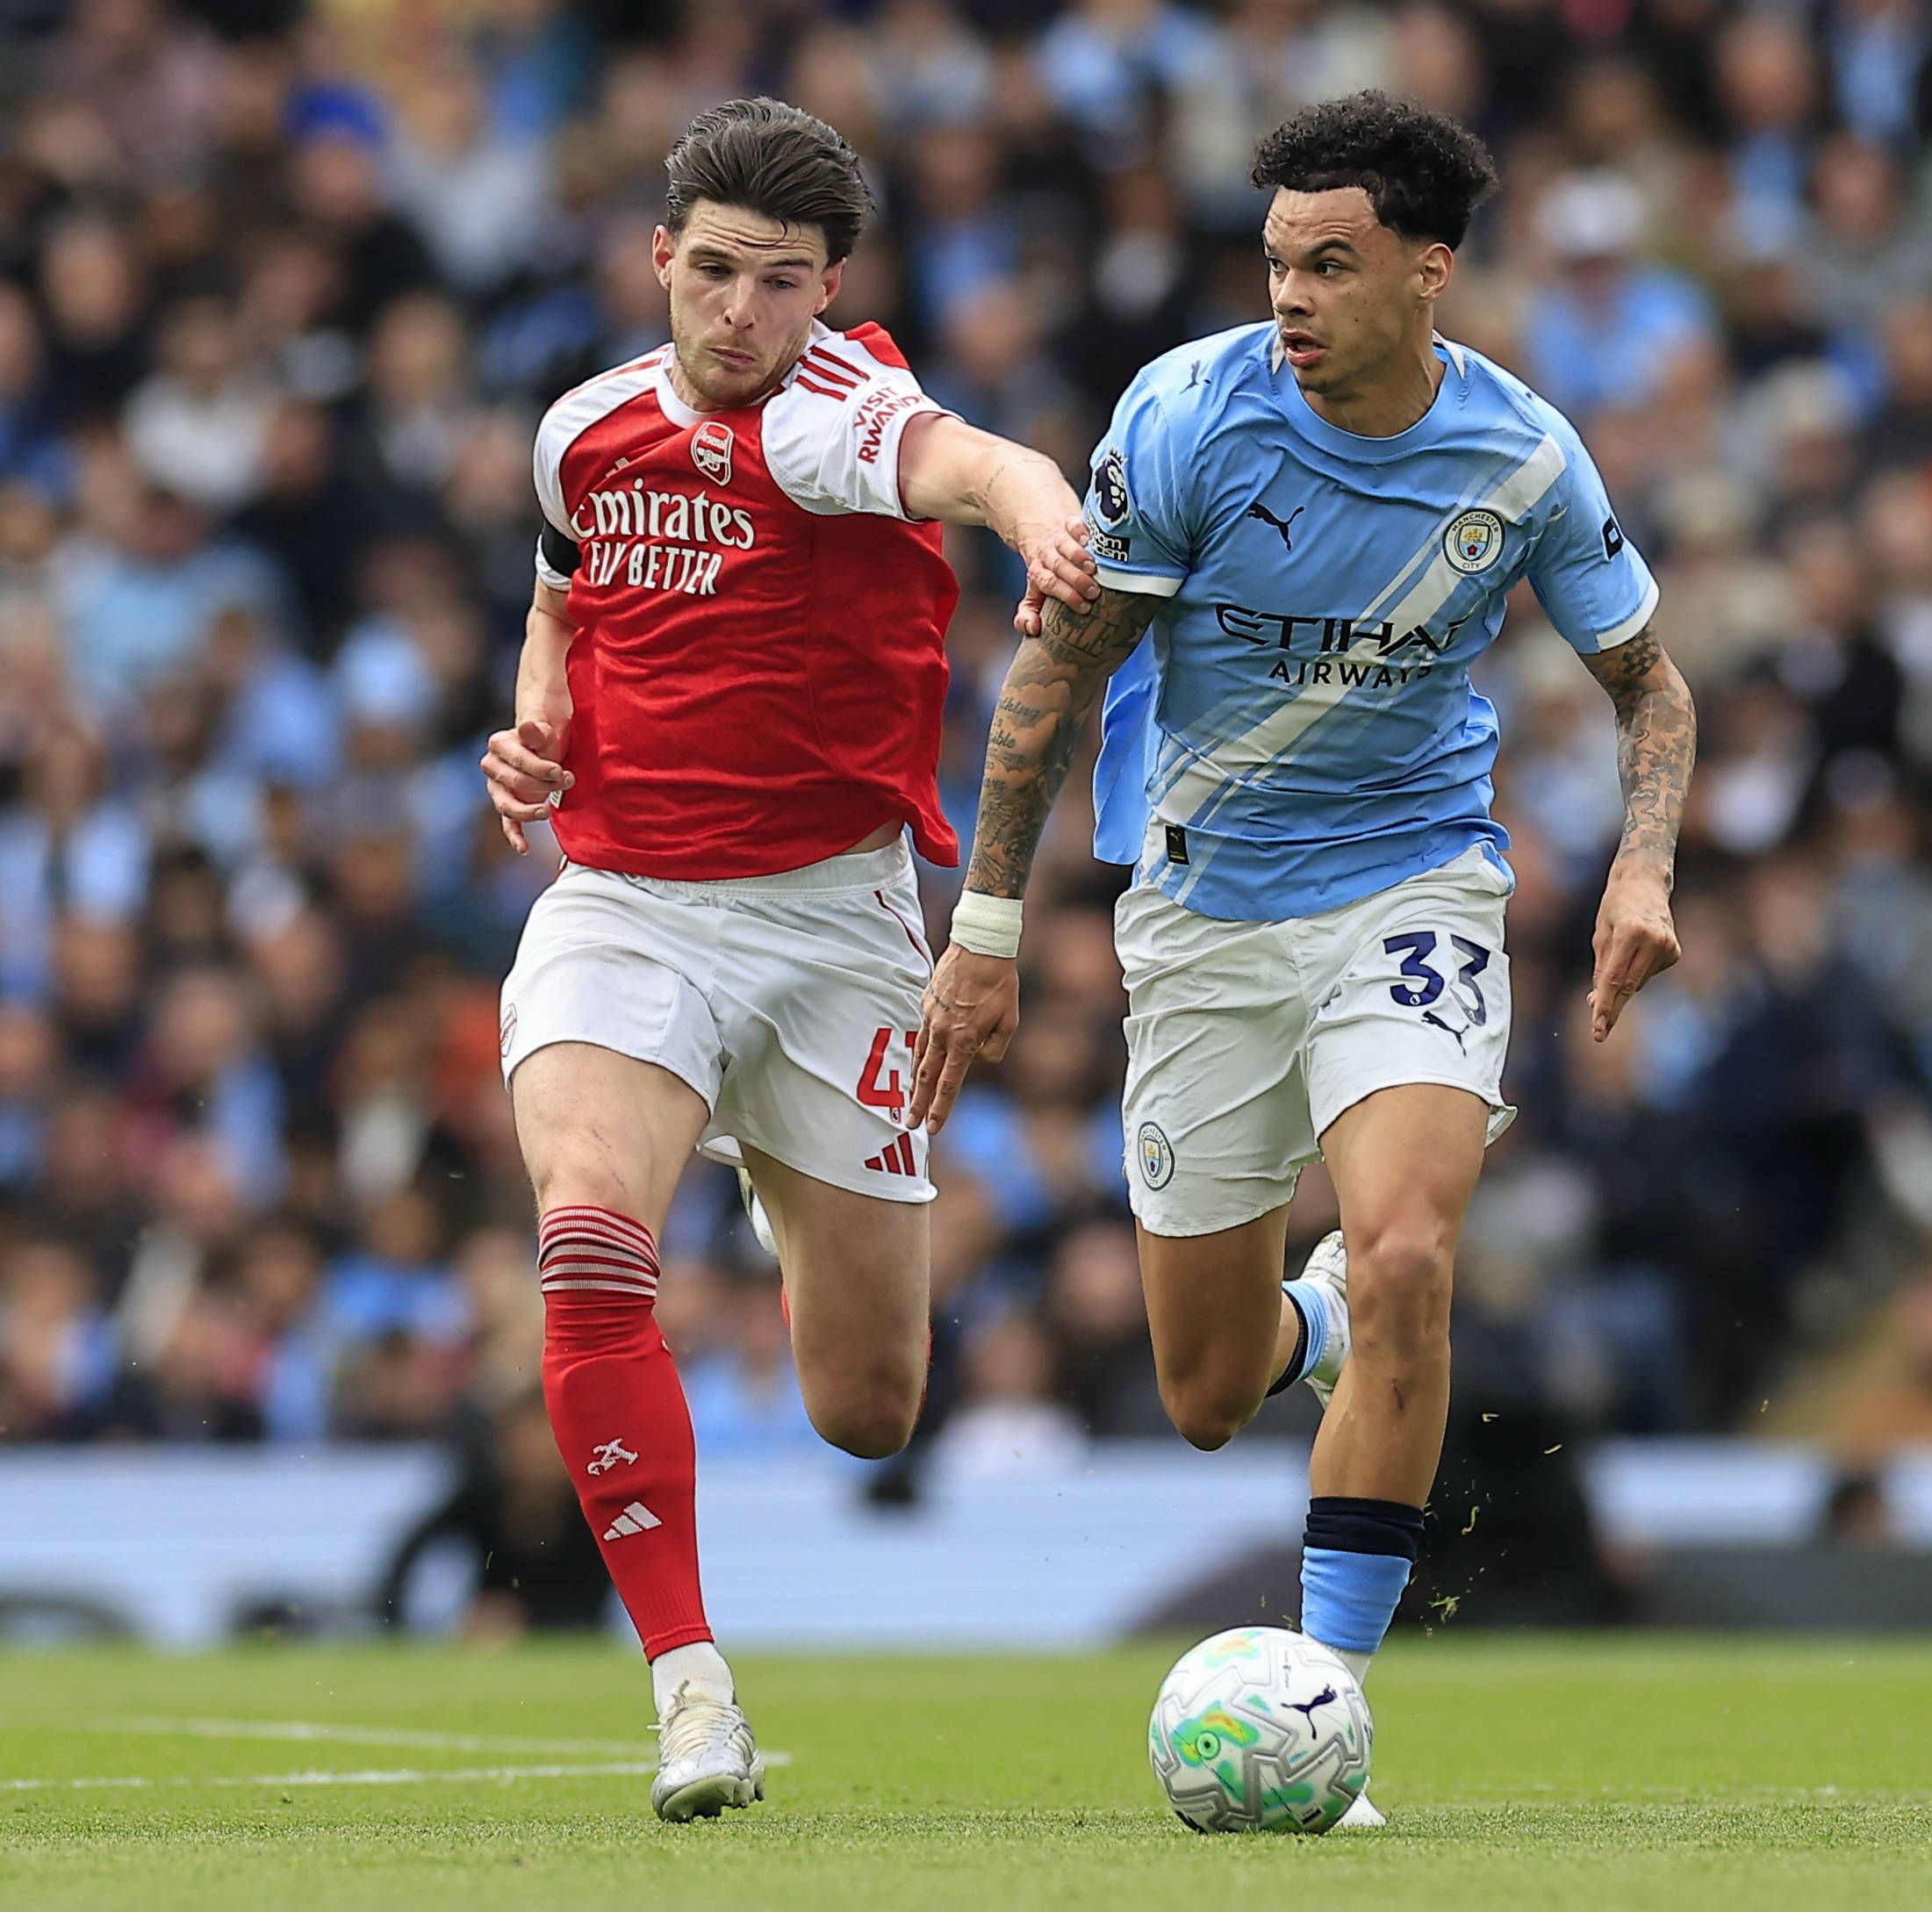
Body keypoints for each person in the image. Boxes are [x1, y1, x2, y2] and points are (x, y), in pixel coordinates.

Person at [910, 92, 1692, 1823]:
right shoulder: (1187, 417)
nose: (1289, 296)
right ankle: (1317, 1319)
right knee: (1199, 1390)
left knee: (1411, 1252)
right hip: (1196, 917)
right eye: (1274, 261)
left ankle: (1326, 1704)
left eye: (1328, 265)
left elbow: (1651, 689)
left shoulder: (1522, 460)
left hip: (1411, 890)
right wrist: (983, 929)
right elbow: (1053, 672)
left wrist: (1640, 864)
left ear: (1430, 268)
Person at [477, 97, 1093, 1824]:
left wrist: (1043, 528)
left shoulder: (836, 418)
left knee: (867, 1410)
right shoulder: (582, 430)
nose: (744, 314)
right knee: (589, 1227)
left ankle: (765, 1144)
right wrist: (538, 714)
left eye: (787, 285)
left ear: (831, 294)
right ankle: (689, 1690)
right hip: (629, 907)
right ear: (660, 257)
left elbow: (976, 464)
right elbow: (556, 586)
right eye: (720, 273)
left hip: (833, 926)